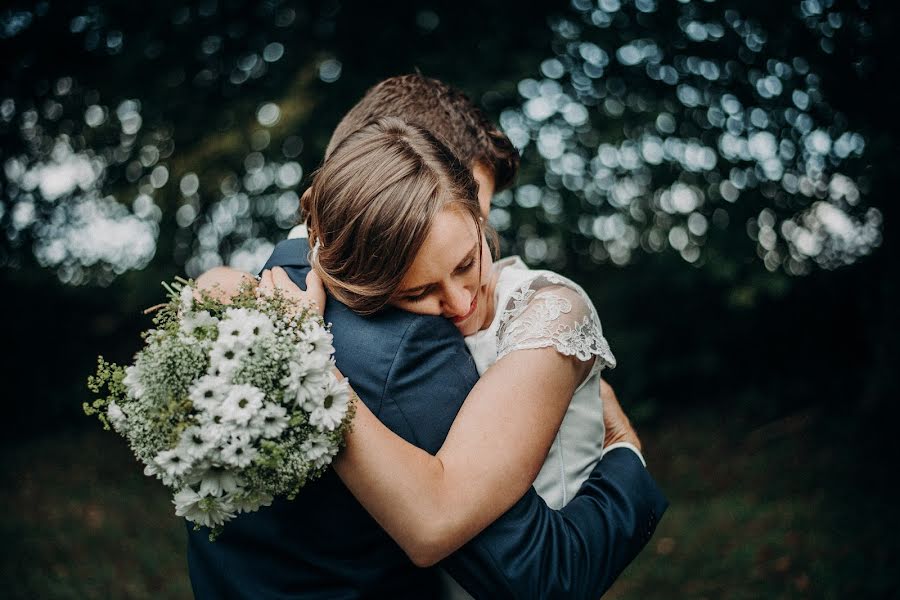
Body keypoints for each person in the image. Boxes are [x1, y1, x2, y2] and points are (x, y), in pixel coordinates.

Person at [187, 76, 667, 599]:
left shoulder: (270, 278)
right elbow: (531, 572)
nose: (462, 303)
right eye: (417, 287)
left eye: (470, 247)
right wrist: (625, 456)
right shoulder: (400, 347)